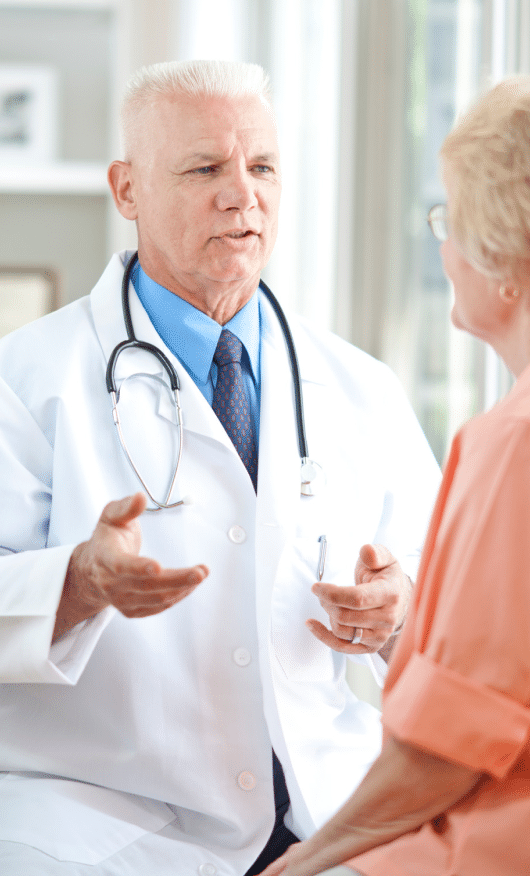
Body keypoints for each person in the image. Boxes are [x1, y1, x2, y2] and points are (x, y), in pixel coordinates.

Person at [0, 60, 440, 876]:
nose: (244, 194)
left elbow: (445, 607)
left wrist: (398, 610)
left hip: (330, 805)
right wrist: (76, 581)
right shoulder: (25, 380)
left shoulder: (359, 386)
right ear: (126, 190)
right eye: (206, 168)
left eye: (263, 166)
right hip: (100, 817)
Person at [260, 74, 530, 876]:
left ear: (506, 262)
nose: (442, 249)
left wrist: (308, 863)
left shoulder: (512, 444)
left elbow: (452, 744)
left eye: (450, 221)